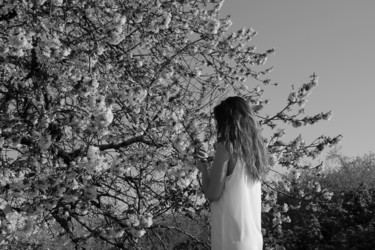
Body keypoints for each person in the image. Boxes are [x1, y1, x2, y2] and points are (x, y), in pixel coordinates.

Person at [196, 96, 268, 250]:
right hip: (253, 241)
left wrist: (204, 170)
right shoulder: (257, 153)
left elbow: (212, 194)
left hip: (232, 240)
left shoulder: (226, 147)